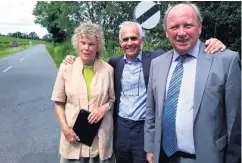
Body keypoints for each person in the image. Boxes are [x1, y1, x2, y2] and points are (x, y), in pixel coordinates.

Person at [63, 23, 226, 163]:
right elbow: (94, 66)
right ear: (121, 43)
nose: (130, 43)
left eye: (134, 38)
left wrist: (211, 43)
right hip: (121, 127)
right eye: (125, 39)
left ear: (142, 40)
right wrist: (72, 59)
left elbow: (182, 46)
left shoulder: (157, 58)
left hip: (143, 128)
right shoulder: (114, 63)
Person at [144, 2, 241, 163]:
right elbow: (151, 112)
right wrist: (150, 147)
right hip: (164, 157)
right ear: (166, 32)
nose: (181, 33)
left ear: (200, 27)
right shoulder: (157, 64)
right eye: (174, 27)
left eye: (188, 25)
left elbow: (236, 123)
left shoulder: (225, 61)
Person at [51, 22, 115, 163]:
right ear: (77, 44)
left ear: (98, 46)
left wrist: (103, 109)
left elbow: (112, 99)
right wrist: (65, 129)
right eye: (83, 43)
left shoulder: (108, 70)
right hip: (73, 139)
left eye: (91, 44)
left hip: (98, 140)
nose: (86, 48)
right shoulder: (66, 67)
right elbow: (58, 101)